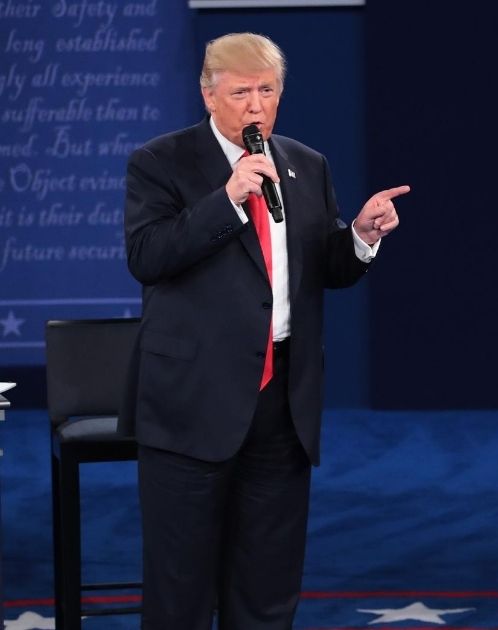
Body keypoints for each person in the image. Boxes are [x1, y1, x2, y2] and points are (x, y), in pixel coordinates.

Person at [121, 32, 407, 629]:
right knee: (181, 589)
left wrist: (360, 236)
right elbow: (148, 256)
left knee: (267, 585)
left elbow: (322, 268)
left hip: (282, 402)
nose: (256, 105)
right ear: (208, 96)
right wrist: (227, 199)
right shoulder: (160, 162)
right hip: (192, 402)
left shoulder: (305, 164)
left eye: (267, 90)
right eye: (241, 91)